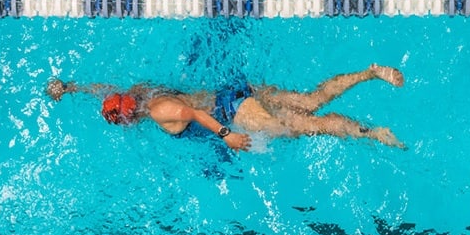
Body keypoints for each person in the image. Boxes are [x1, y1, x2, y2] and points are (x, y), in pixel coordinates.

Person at [45, 64, 405, 151]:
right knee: (311, 100)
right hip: (235, 91)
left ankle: (374, 133)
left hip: (233, 113)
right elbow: (101, 90)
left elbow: (193, 115)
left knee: (308, 125)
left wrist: (227, 135)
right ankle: (369, 73)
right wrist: (69, 88)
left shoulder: (156, 112)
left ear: (128, 117)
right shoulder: (138, 92)